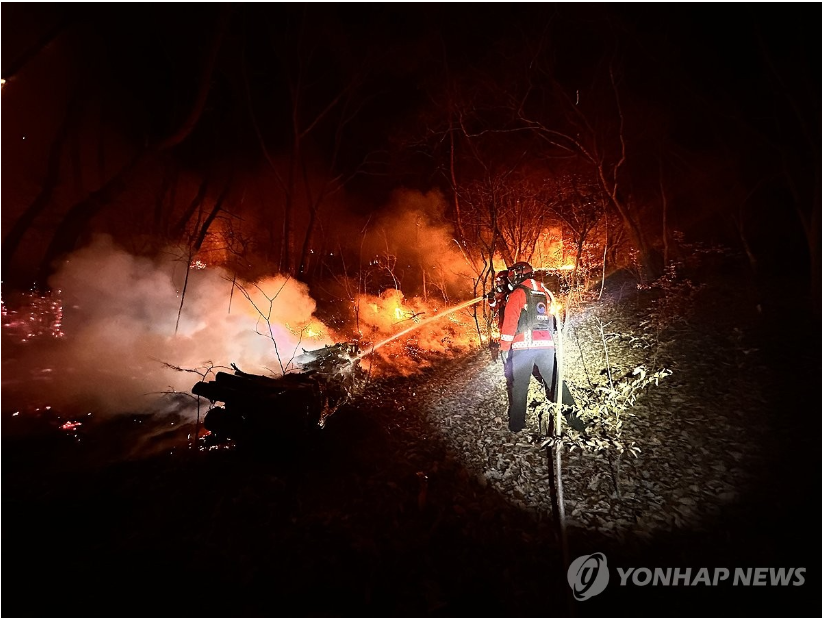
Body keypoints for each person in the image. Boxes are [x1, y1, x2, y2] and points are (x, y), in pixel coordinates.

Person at [498, 261, 556, 433]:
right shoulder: (544, 291)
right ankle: (576, 420)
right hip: (546, 345)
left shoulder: (517, 293)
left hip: (523, 347)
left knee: (520, 386)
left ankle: (516, 425)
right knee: (555, 383)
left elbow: (510, 323)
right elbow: (550, 318)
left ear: (518, 275)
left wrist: (504, 347)